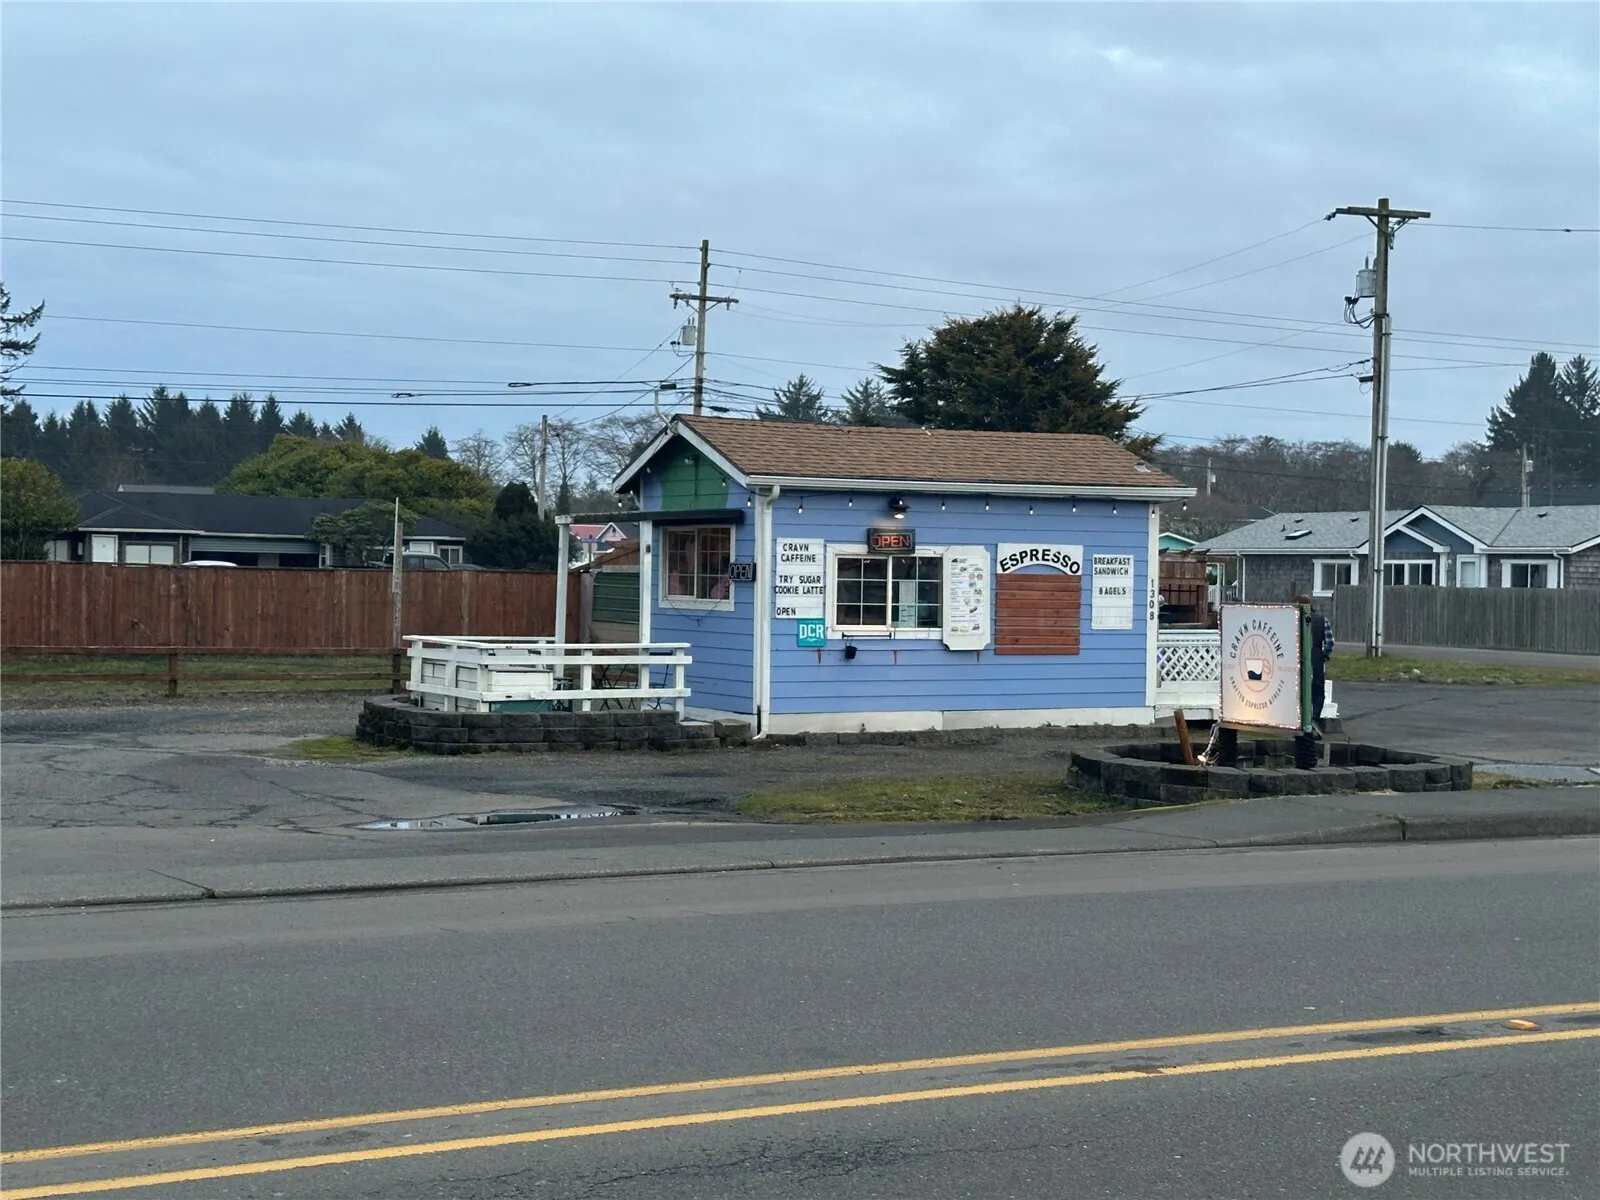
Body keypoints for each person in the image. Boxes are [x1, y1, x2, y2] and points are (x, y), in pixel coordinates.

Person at [1295, 593, 1334, 729]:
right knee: (1317, 690)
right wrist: (1324, 655)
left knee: (1298, 690)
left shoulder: (1292, 620)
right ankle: (1314, 719)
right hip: (1316, 656)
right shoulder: (1322, 620)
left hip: (1296, 658)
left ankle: (1299, 720)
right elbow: (1329, 643)